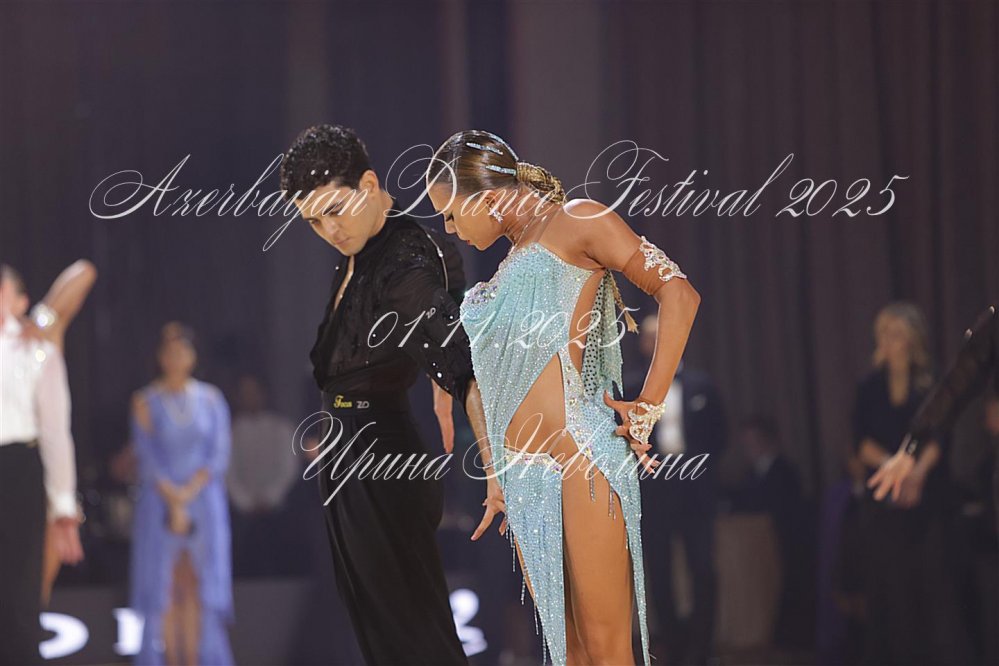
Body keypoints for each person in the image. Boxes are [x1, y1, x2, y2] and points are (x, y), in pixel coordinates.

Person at [426, 130, 700, 666]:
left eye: (452, 214)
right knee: (570, 656)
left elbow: (679, 293)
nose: (450, 228)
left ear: (487, 197)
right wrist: (496, 476)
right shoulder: (508, 263)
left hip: (579, 458)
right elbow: (488, 383)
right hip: (524, 481)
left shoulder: (577, 219)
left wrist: (648, 405)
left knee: (606, 651)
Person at [280, 124, 491, 665]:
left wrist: (494, 469)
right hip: (352, 454)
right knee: (386, 636)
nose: (329, 229)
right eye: (313, 221)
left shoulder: (401, 258)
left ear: (369, 185)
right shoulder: (362, 250)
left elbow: (461, 364)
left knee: (414, 635)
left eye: (334, 210)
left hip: (381, 457)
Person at [129, 322, 234, 665]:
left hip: (203, 502)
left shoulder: (211, 399)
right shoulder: (145, 401)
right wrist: (173, 499)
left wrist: (188, 494)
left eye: (182, 351)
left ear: (193, 356)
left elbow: (218, 455)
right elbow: (146, 456)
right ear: (160, 357)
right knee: (164, 589)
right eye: (169, 351)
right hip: (159, 501)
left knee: (199, 588)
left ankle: (199, 658)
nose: (175, 358)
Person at [851, 302, 948, 664]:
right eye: (883, 334)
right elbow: (860, 442)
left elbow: (939, 437)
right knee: (889, 592)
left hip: (926, 494)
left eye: (895, 334)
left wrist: (915, 473)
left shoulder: (932, 384)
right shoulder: (869, 386)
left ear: (911, 339)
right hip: (883, 497)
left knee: (931, 589)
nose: (887, 341)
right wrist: (895, 468)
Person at [628, 315, 726, 665]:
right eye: (649, 337)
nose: (656, 342)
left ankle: (702, 647)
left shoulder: (701, 384)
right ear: (642, 344)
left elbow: (719, 435)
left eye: (662, 335)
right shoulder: (633, 387)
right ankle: (674, 644)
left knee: (703, 568)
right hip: (655, 491)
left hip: (696, 490)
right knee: (659, 571)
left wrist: (702, 471)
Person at [0, 263, 85, 666]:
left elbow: (55, 431)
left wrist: (64, 506)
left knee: (20, 594)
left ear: (20, 302)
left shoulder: (35, 347)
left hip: (18, 469)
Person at [226, 373, 298, 576]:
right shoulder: (231, 431)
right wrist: (245, 502)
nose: (250, 398)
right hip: (242, 510)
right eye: (244, 393)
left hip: (278, 508)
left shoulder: (282, 428)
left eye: (254, 392)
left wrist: (269, 498)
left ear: (264, 393)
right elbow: (227, 471)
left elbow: (288, 468)